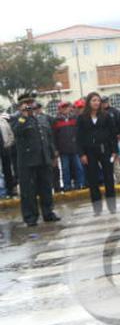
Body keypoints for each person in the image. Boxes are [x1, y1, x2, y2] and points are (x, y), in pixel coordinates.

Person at [10, 93, 60, 226]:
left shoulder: (40, 118)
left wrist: (53, 155)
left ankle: (48, 213)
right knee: (28, 191)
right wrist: (23, 117)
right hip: (27, 162)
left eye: (31, 103)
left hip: (43, 159)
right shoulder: (16, 119)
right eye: (26, 104)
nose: (30, 106)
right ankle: (31, 217)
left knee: (46, 188)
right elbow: (16, 132)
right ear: (20, 106)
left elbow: (48, 138)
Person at [77, 92, 119, 214]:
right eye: (93, 100)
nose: (96, 103)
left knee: (109, 178)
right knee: (93, 180)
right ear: (89, 102)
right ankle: (97, 208)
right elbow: (79, 138)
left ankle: (112, 207)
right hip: (89, 151)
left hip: (105, 150)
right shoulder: (82, 118)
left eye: (98, 100)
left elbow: (112, 134)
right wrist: (82, 154)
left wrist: (114, 151)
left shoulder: (106, 116)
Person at [52, 101, 85, 192]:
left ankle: (80, 184)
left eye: (67, 107)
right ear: (60, 109)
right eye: (63, 107)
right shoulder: (56, 121)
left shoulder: (75, 118)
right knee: (65, 169)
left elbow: (79, 133)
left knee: (78, 167)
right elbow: (54, 136)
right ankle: (67, 186)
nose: (66, 109)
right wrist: (56, 149)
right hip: (63, 150)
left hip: (75, 148)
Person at [0, 112, 15, 198]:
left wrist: (8, 144)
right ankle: (2, 192)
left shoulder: (3, 121)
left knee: (8, 170)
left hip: (5, 149)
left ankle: (10, 190)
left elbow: (10, 134)